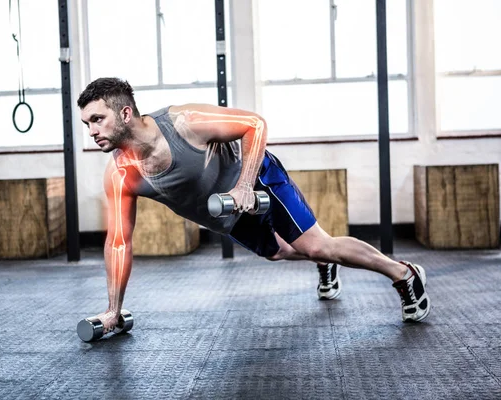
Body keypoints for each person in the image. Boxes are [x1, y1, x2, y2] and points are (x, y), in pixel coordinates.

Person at [77, 77, 431, 333]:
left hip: (256, 177)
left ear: (125, 113)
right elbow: (119, 242)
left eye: (97, 119)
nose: (91, 131)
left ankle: (404, 274)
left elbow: (253, 124)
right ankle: (324, 263)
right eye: (86, 123)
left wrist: (245, 185)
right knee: (278, 252)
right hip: (226, 214)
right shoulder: (121, 174)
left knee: (317, 243)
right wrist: (113, 310)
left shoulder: (184, 123)